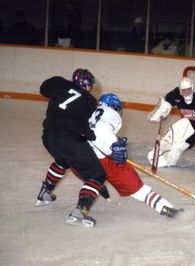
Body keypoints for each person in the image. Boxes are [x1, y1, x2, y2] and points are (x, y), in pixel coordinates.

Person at [82, 93, 182, 218]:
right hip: (107, 161)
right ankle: (166, 208)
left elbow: (94, 131)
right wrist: (115, 144)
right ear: (114, 107)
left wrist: (115, 140)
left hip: (83, 155)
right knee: (136, 187)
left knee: (93, 178)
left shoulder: (89, 111)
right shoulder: (111, 113)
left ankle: (80, 206)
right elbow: (102, 128)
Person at [36, 68, 107, 228]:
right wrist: (93, 138)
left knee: (62, 160)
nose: (90, 89)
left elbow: (43, 88)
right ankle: (79, 212)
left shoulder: (59, 82)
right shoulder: (89, 101)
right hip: (68, 140)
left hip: (48, 137)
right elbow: (86, 128)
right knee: (97, 174)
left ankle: (45, 193)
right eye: (90, 86)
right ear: (86, 84)